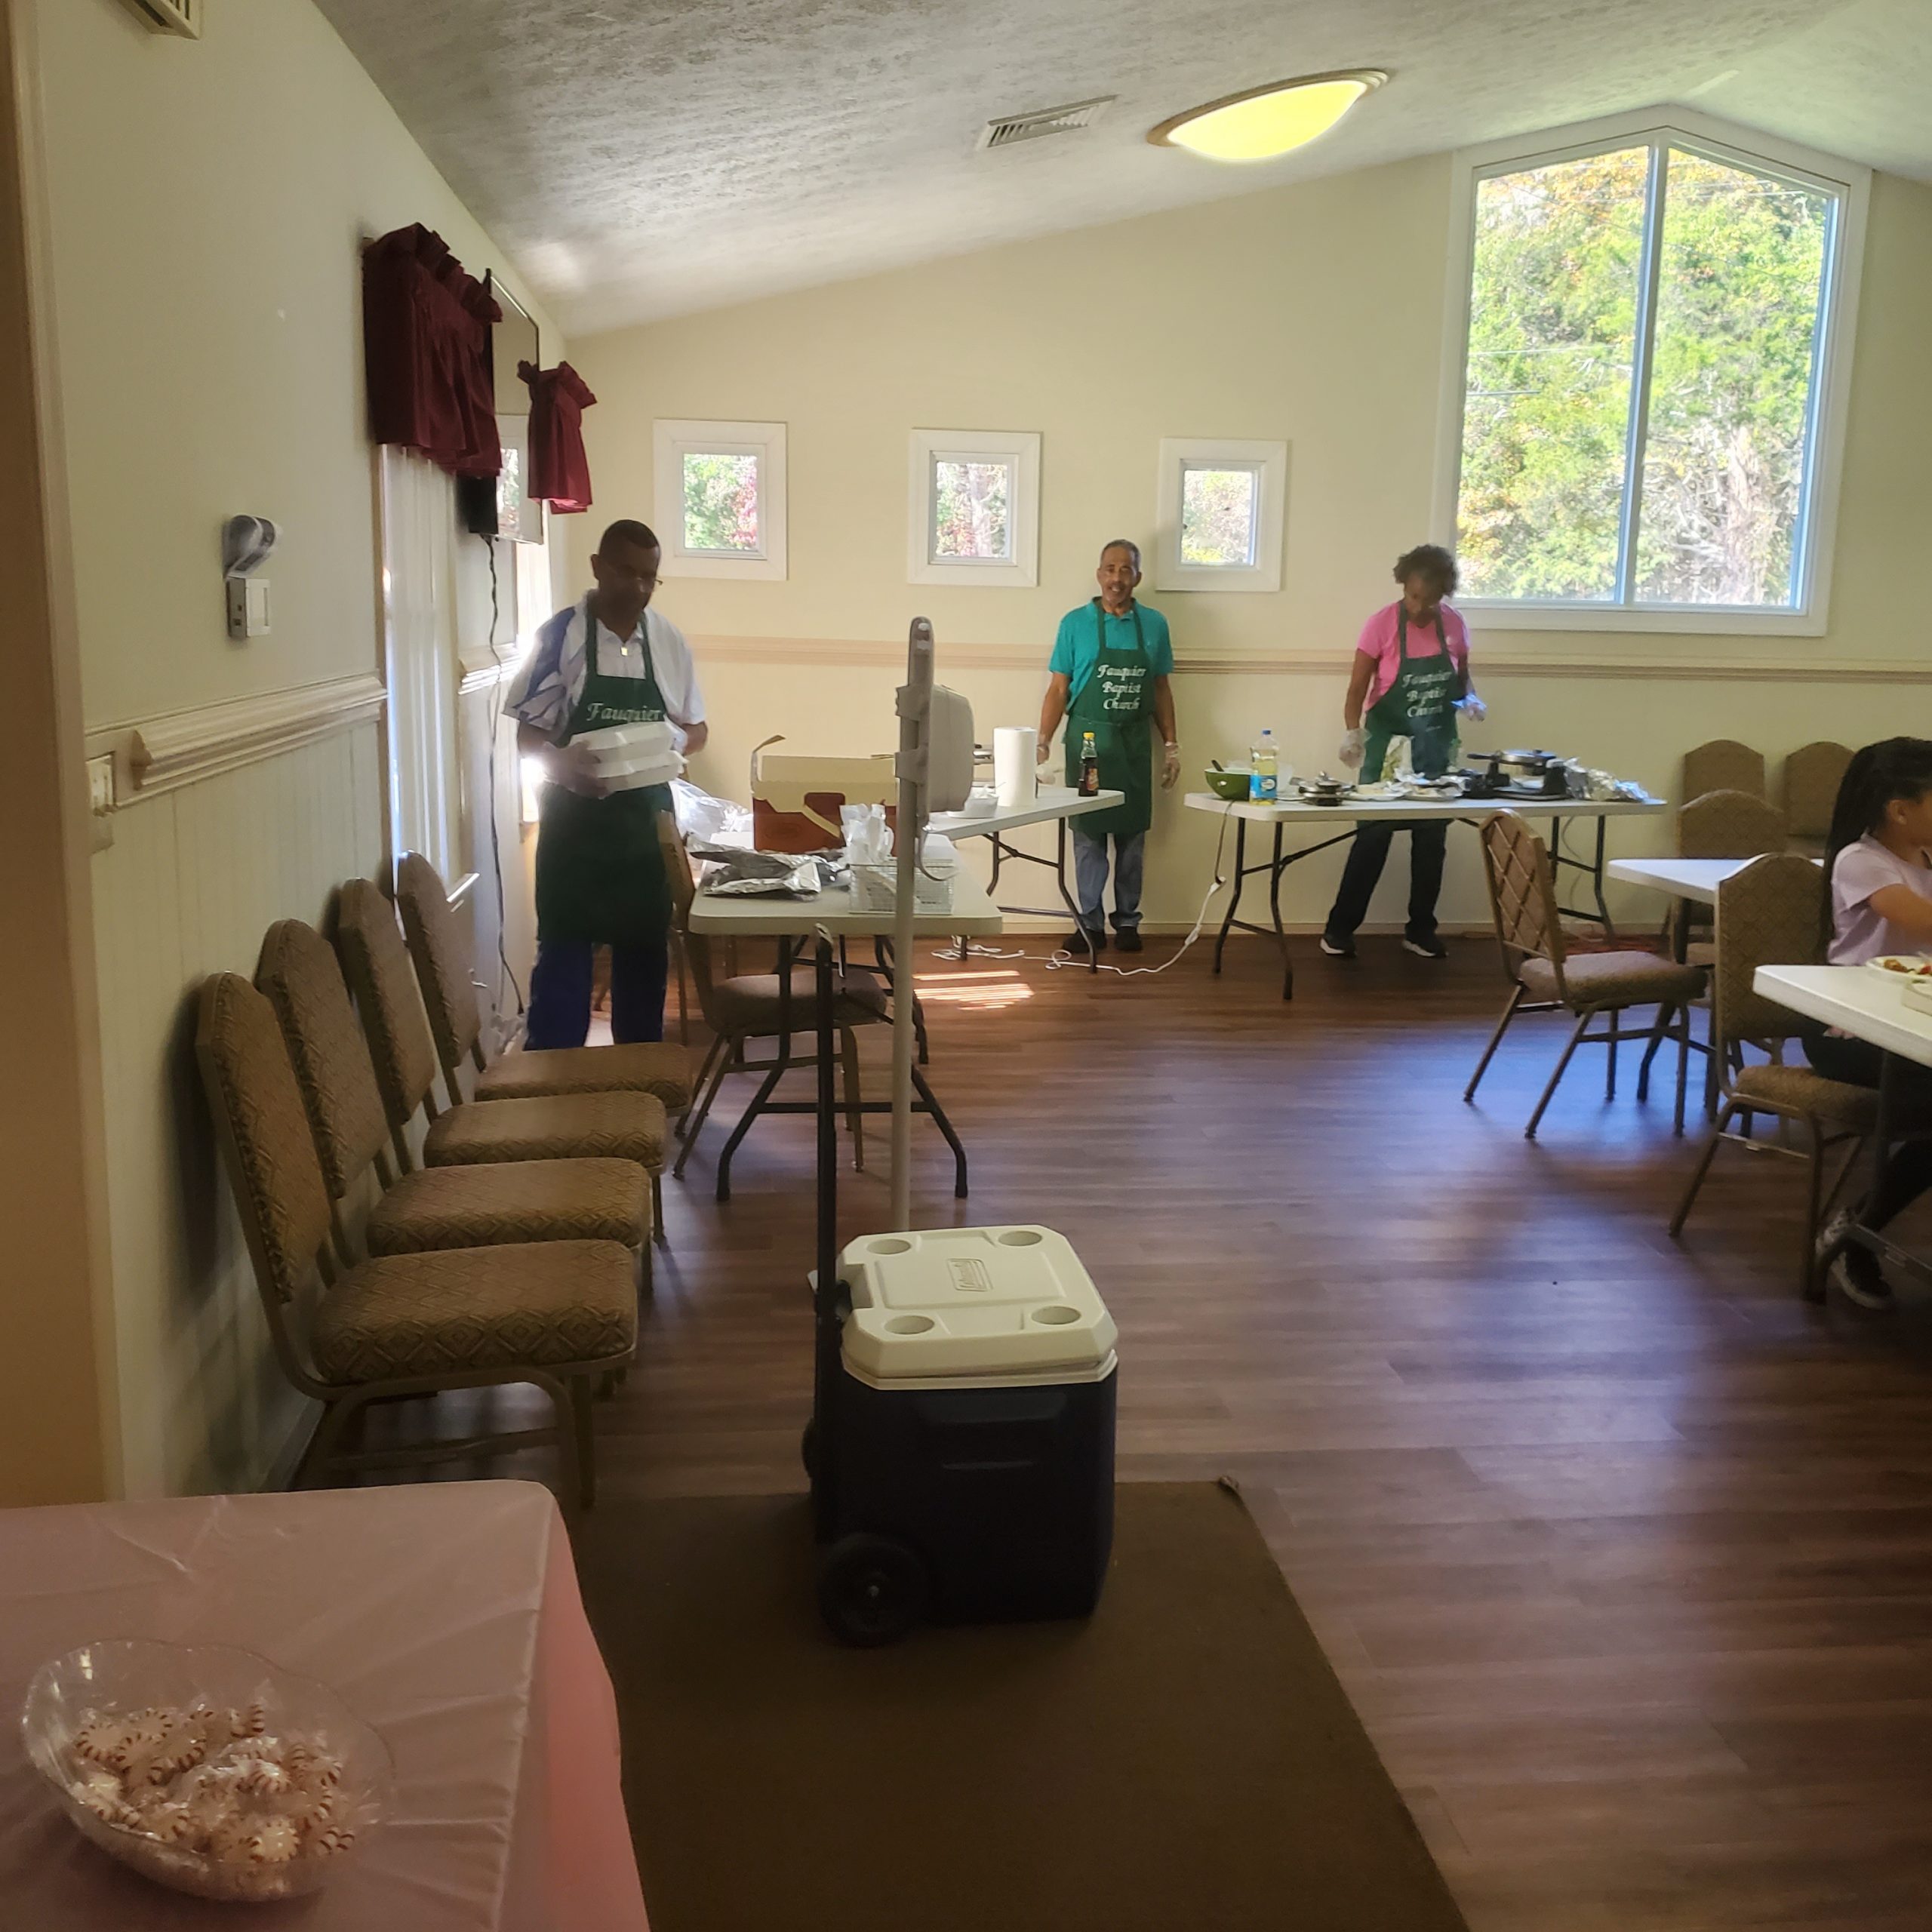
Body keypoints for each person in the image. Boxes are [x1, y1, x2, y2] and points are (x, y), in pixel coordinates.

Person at [504, 518, 708, 1048]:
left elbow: (698, 729)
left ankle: (637, 1083)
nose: (637, 587)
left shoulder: (668, 641)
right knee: (562, 973)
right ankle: (552, 1083)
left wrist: (670, 743)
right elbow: (528, 735)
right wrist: (560, 765)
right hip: (574, 833)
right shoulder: (560, 638)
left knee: (643, 970)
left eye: (649, 577)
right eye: (625, 572)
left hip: (645, 832)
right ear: (597, 568)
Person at [1810, 737, 1932, 1307]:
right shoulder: (1861, 860)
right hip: (1850, 1028)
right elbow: (1917, 920)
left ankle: (1858, 1228)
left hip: (1914, 1019)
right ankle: (1856, 1231)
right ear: (1900, 810)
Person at [1321, 543, 1485, 960]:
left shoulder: (1454, 624)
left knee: (1431, 841)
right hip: (1388, 750)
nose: (1419, 608)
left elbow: (1461, 678)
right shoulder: (1381, 624)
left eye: (1429, 600)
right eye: (1413, 597)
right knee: (1372, 838)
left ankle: (1421, 930)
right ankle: (1339, 929)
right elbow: (1357, 689)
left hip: (1434, 750)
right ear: (1403, 586)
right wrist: (1352, 732)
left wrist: (1471, 699)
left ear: (1444, 594)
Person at [1036, 539, 1180, 954]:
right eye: (1110, 569)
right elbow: (1058, 689)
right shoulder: (1074, 623)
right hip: (1089, 746)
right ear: (1099, 574)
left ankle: (1128, 922)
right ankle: (1090, 924)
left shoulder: (1155, 624)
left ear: (1138, 576)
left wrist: (1172, 745)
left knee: (1132, 839)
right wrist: (1042, 742)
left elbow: (1161, 688)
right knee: (1089, 837)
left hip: (1134, 745)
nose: (1117, 578)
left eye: (1126, 570)